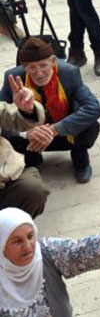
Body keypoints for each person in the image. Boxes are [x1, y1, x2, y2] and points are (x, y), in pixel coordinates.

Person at [0, 37, 100, 184]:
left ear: (53, 61)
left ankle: (79, 157)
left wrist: (55, 129)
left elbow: (93, 108)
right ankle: (32, 159)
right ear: (24, 67)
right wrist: (26, 133)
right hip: (32, 137)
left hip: (63, 133)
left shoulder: (69, 73)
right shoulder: (14, 78)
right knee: (8, 133)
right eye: (32, 68)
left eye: (43, 66)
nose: (39, 73)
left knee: (90, 126)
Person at [0, 74, 48, 217]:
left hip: (5, 174)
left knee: (32, 189)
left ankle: (14, 233)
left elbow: (14, 118)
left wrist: (26, 109)